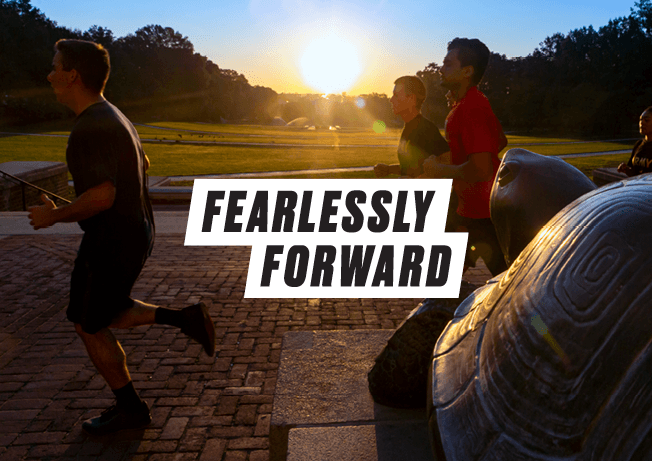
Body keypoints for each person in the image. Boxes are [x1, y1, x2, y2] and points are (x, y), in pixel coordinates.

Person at [28, 39, 216, 436]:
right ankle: (185, 319)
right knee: (106, 311)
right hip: (135, 232)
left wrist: (53, 216)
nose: (48, 74)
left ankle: (131, 408)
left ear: (72, 75)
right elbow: (141, 163)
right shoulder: (115, 115)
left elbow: (102, 195)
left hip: (111, 241)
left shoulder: (89, 127)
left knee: (88, 323)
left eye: (54, 65)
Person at [422, 38, 508, 276]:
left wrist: (439, 171)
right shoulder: (474, 102)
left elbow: (480, 170)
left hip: (482, 214)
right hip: (472, 209)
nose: (441, 69)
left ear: (467, 71)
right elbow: (500, 141)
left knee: (512, 284)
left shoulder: (471, 108)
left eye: (448, 64)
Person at [374, 76, 450, 178]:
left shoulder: (426, 128)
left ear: (411, 99)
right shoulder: (409, 126)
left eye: (396, 95)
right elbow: (412, 168)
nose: (391, 100)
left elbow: (449, 162)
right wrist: (389, 169)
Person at [618, 106, 652, 176]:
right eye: (640, 120)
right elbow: (634, 173)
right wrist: (625, 169)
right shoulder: (639, 144)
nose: (642, 123)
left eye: (646, 120)